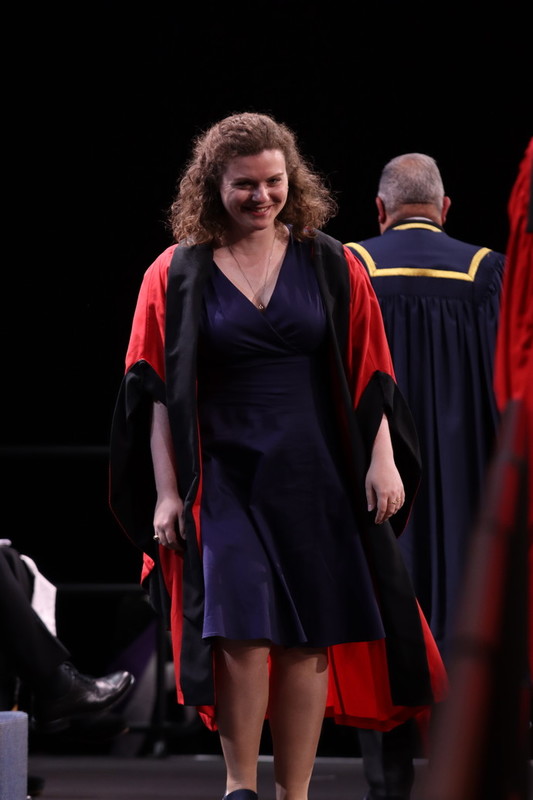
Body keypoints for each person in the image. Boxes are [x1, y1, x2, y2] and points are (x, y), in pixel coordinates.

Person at [109, 112, 447, 800]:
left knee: (307, 636)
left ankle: (294, 792)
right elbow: (151, 390)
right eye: (245, 184)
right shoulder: (175, 272)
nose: (262, 196)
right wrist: (167, 492)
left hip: (315, 474)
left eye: (273, 181)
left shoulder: (330, 261)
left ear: (292, 180)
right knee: (238, 629)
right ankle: (240, 786)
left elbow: (371, 372)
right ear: (213, 185)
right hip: (223, 475)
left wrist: (382, 459)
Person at [345, 152, 505, 799]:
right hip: (469, 485)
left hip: (373, 483)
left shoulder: (348, 266)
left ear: (379, 209)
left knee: (382, 619)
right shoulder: (487, 273)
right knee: (462, 617)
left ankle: (386, 785)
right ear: (444, 209)